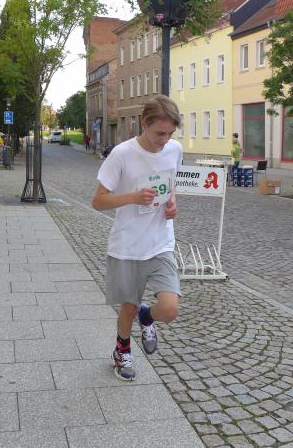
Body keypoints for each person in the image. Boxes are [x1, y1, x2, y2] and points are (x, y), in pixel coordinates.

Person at [92, 96, 183, 381]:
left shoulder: (174, 149)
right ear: (144, 124)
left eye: (170, 134)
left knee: (169, 309)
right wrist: (132, 197)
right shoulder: (122, 154)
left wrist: (172, 203)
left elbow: (170, 184)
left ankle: (148, 316)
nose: (164, 141)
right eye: (159, 133)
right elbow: (98, 201)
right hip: (128, 246)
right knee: (128, 307)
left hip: (161, 243)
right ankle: (122, 350)